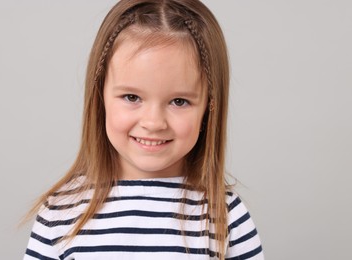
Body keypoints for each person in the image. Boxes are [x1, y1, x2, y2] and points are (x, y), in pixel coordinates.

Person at [24, 0, 264, 259]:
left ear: (209, 105)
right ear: (99, 95)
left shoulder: (225, 215)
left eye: (179, 101)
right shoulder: (61, 211)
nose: (153, 122)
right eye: (131, 97)